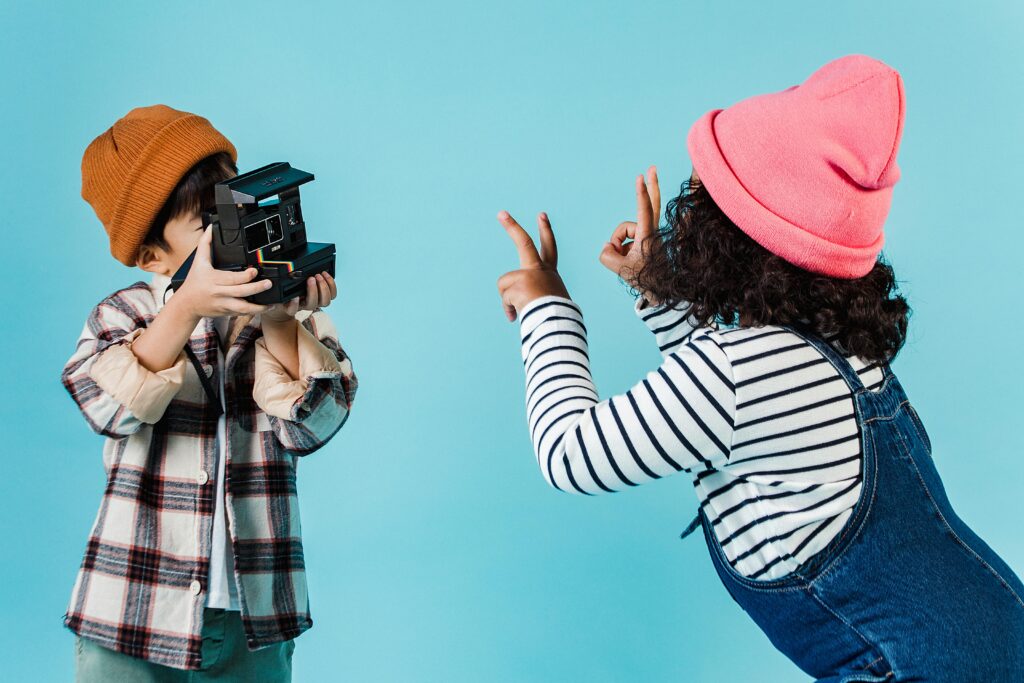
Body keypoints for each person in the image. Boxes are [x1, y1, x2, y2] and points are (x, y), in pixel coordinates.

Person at [495, 55, 1024, 681]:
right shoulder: (842, 349)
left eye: (705, 195)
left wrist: (546, 308)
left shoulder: (735, 372)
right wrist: (662, 291)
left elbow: (571, 454)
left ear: (733, 236)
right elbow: (743, 415)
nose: (687, 209)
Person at [62, 104, 358, 681]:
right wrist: (187, 307)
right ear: (153, 255)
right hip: (131, 610)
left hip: (254, 614)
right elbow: (107, 408)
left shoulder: (287, 322)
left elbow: (313, 425)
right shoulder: (125, 314)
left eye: (238, 209)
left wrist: (277, 319)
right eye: (210, 222)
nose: (237, 232)